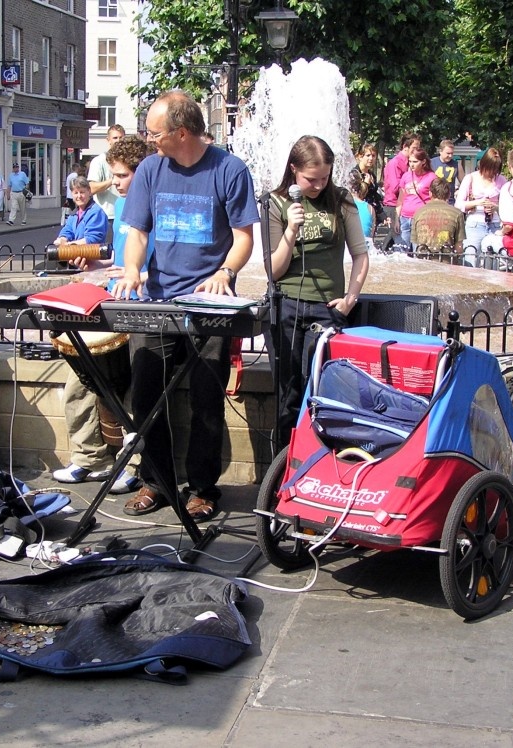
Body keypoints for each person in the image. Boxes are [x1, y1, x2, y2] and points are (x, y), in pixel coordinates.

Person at [112, 90, 259, 522]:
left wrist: (226, 272)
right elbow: (136, 233)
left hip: (208, 306)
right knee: (145, 393)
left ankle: (201, 488)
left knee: (206, 398)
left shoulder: (229, 170)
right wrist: (133, 268)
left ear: (180, 131)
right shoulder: (151, 170)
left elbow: (244, 236)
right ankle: (154, 481)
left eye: (154, 133)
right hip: (157, 300)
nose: (149, 140)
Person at [52, 136, 156, 494]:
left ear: (142, 173)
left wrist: (140, 275)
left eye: (122, 176)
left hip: (140, 311)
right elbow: (122, 261)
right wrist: (96, 265)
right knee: (77, 385)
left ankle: (135, 466)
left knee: (133, 392)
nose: (114, 183)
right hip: (112, 305)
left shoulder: (156, 208)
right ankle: (89, 459)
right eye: (113, 175)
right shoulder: (126, 208)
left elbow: (166, 267)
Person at [264, 135, 369, 446]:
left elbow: (360, 254)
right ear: (294, 170)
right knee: (288, 394)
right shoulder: (275, 202)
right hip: (287, 306)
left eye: (325, 177)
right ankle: (285, 464)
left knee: (324, 391)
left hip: (327, 307)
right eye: (312, 179)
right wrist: (291, 230)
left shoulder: (341, 199)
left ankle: (321, 460)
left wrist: (350, 298)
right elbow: (274, 270)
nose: (319, 185)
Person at [456, 147, 507, 268]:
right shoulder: (471, 178)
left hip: (494, 224)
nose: (492, 173)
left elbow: (507, 206)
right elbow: (458, 204)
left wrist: (495, 207)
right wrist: (478, 203)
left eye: (496, 169)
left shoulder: (502, 180)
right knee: (471, 259)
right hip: (475, 224)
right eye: (490, 169)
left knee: (493, 263)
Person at [411, 176, 465, 263]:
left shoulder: (418, 213)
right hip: (447, 263)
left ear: (430, 194)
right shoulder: (457, 214)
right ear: (449, 194)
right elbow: (459, 248)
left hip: (423, 263)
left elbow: (416, 245)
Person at [87, 124, 125, 242]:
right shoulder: (99, 161)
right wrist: (112, 181)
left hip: (125, 215)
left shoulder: (128, 161)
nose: (118, 141)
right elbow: (91, 188)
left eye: (121, 138)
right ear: (108, 140)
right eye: (115, 138)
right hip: (107, 217)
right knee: (107, 253)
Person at [396, 146, 436, 246]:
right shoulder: (406, 176)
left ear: (423, 162)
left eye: (415, 162)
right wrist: (396, 218)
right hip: (404, 217)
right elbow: (401, 199)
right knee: (403, 251)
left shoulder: (431, 177)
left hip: (421, 218)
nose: (412, 165)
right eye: (410, 161)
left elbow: (434, 200)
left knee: (417, 250)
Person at [382, 131, 421, 232]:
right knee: (394, 239)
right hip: (393, 206)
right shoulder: (395, 163)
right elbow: (395, 187)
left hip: (405, 206)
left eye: (418, 148)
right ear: (405, 146)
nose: (417, 151)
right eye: (414, 148)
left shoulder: (410, 163)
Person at [52, 176, 107, 247]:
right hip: (77, 254)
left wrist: (69, 245)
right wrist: (62, 239)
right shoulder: (74, 213)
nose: (79, 196)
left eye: (82, 192)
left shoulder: (96, 212)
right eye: (75, 193)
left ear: (89, 192)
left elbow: (92, 239)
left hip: (92, 255)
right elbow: (68, 229)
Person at [353, 143, 384, 234]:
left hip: (371, 213)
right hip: (359, 214)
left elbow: (375, 197)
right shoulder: (354, 174)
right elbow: (355, 197)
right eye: (368, 155)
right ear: (360, 157)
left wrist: (383, 215)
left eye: (373, 156)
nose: (371, 158)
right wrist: (365, 184)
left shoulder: (371, 175)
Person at [430, 139, 462, 203]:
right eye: (448, 153)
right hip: (434, 200)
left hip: (450, 201)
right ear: (440, 151)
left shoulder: (457, 165)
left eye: (452, 153)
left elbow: (464, 183)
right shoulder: (431, 163)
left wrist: (459, 191)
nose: (450, 156)